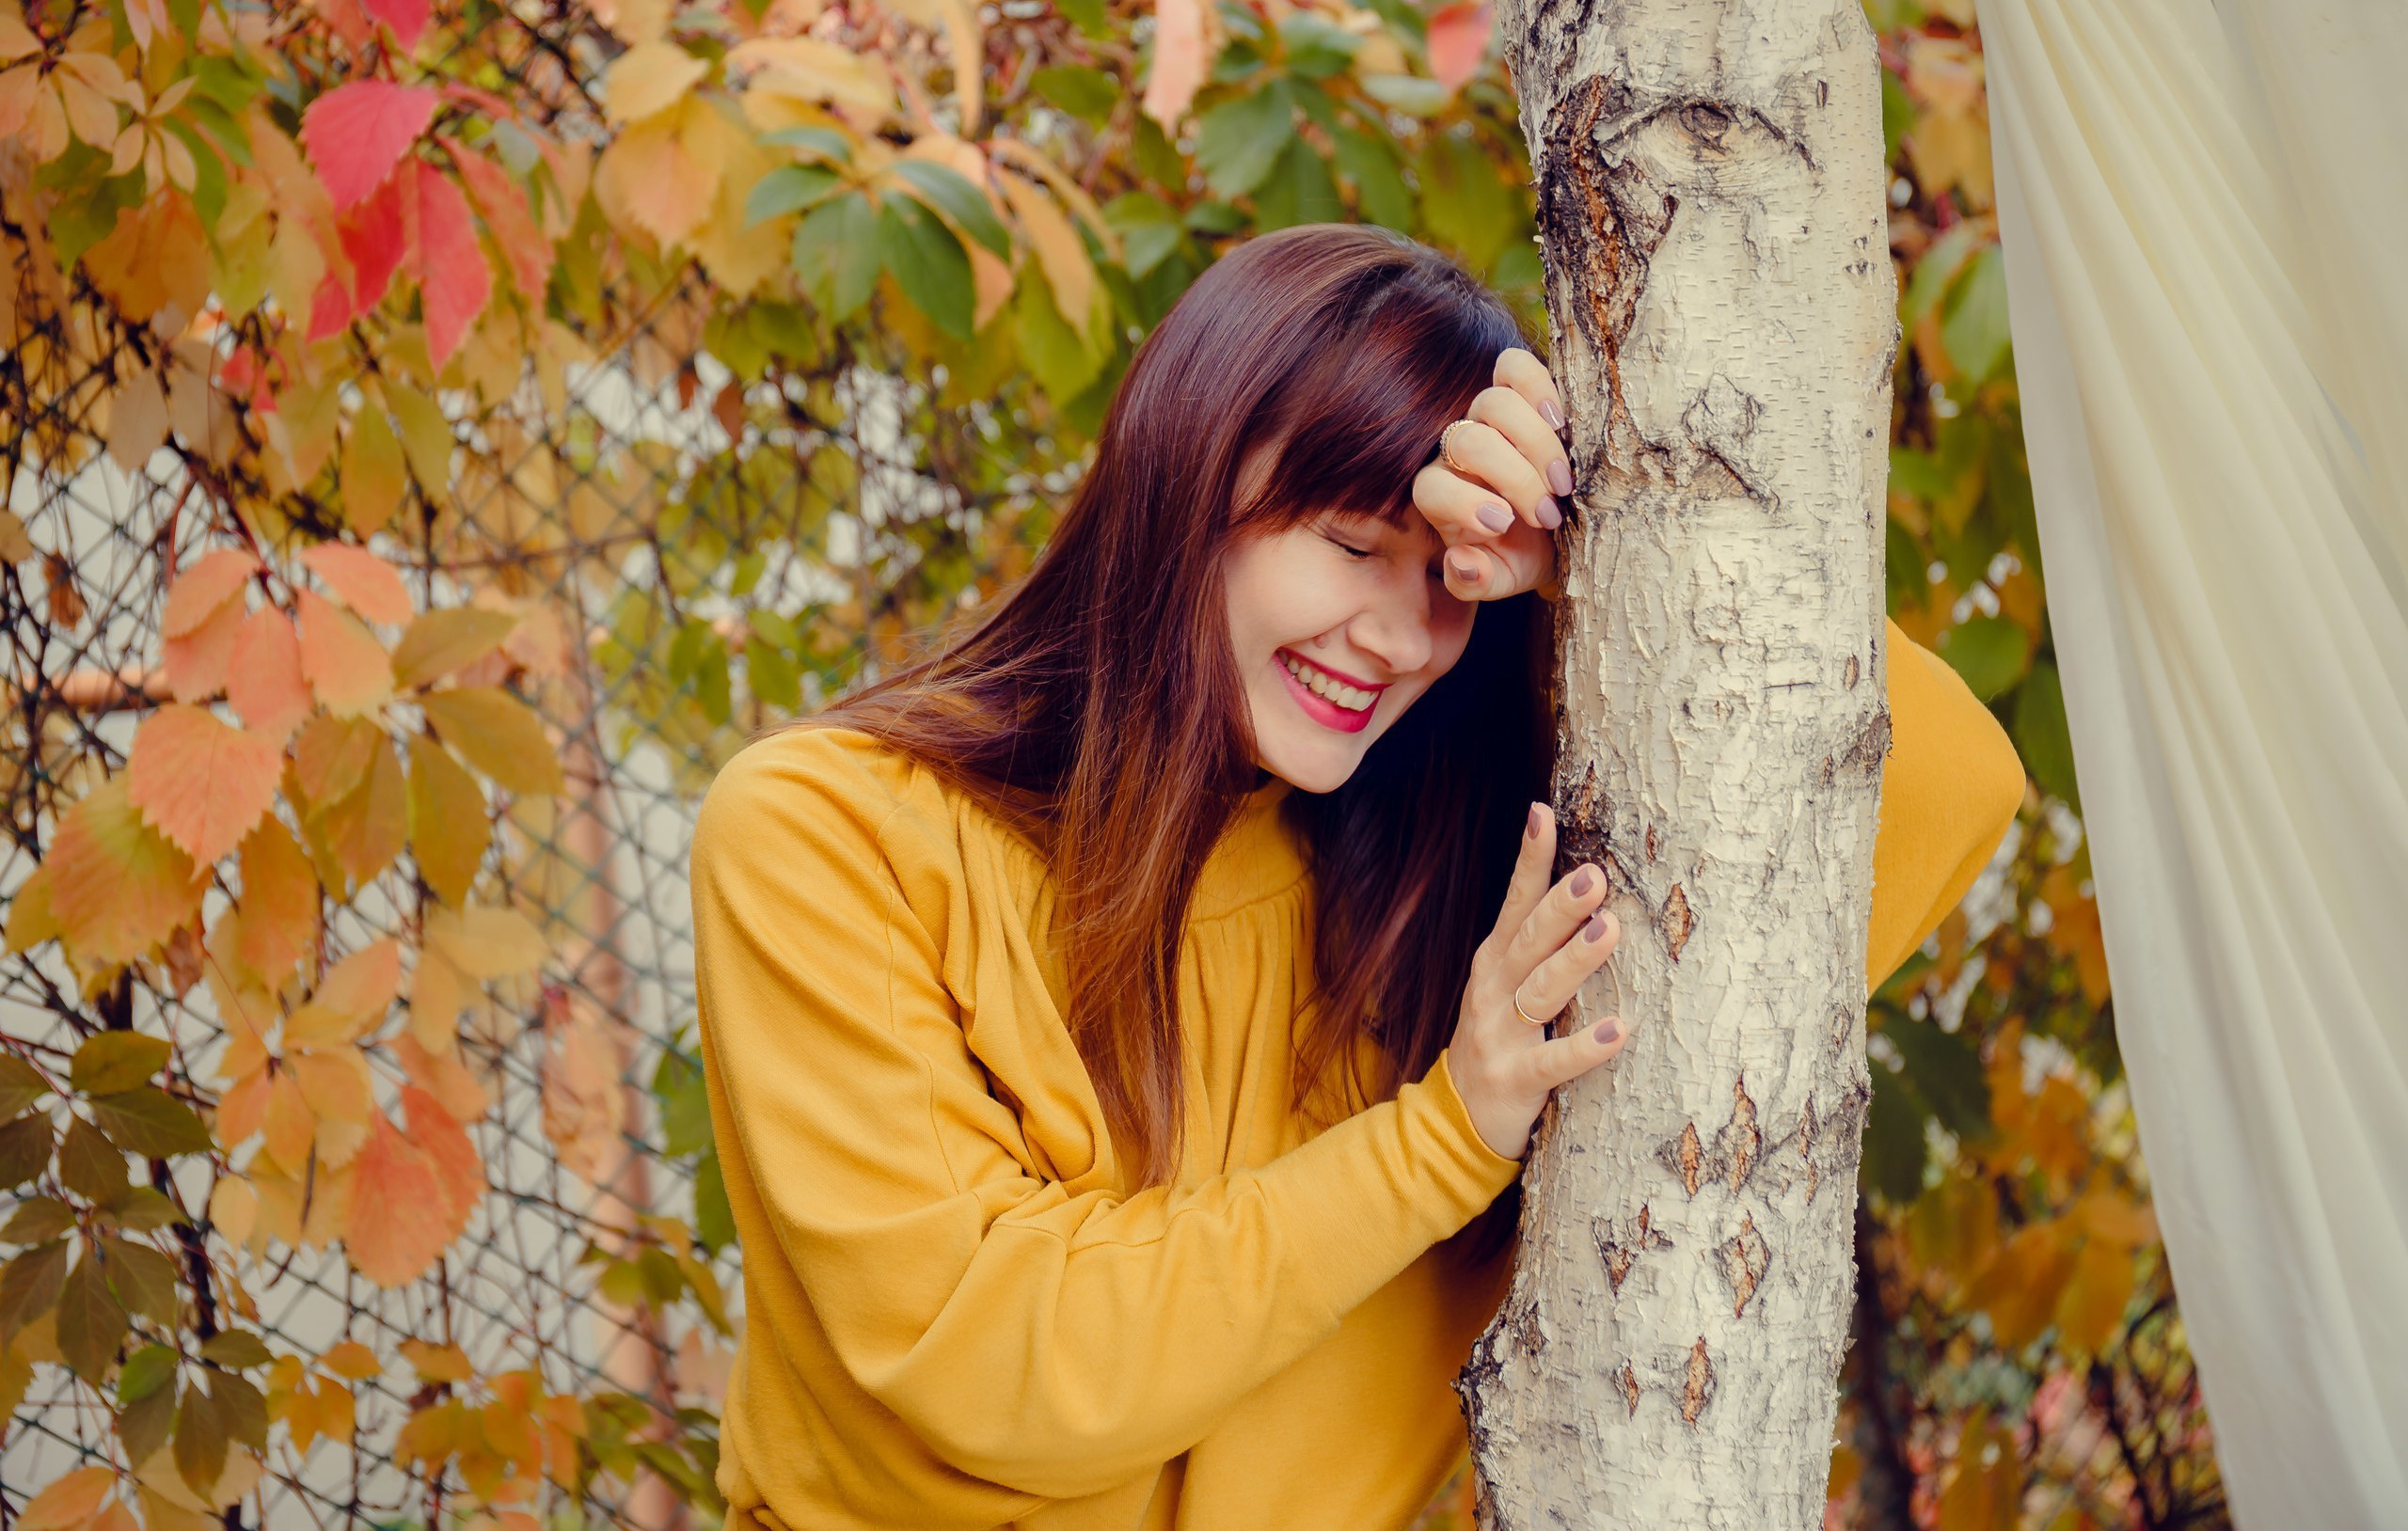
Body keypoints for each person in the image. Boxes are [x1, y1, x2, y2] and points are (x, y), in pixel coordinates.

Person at [689, 224, 2025, 1529]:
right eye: (1347, 543)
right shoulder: (832, 834)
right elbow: (992, 1366)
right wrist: (1443, 1136)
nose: (1398, 634)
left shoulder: (1463, 893)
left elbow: (1948, 784)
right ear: (1184, 490)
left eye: (1448, 575)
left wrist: (1618, 544)